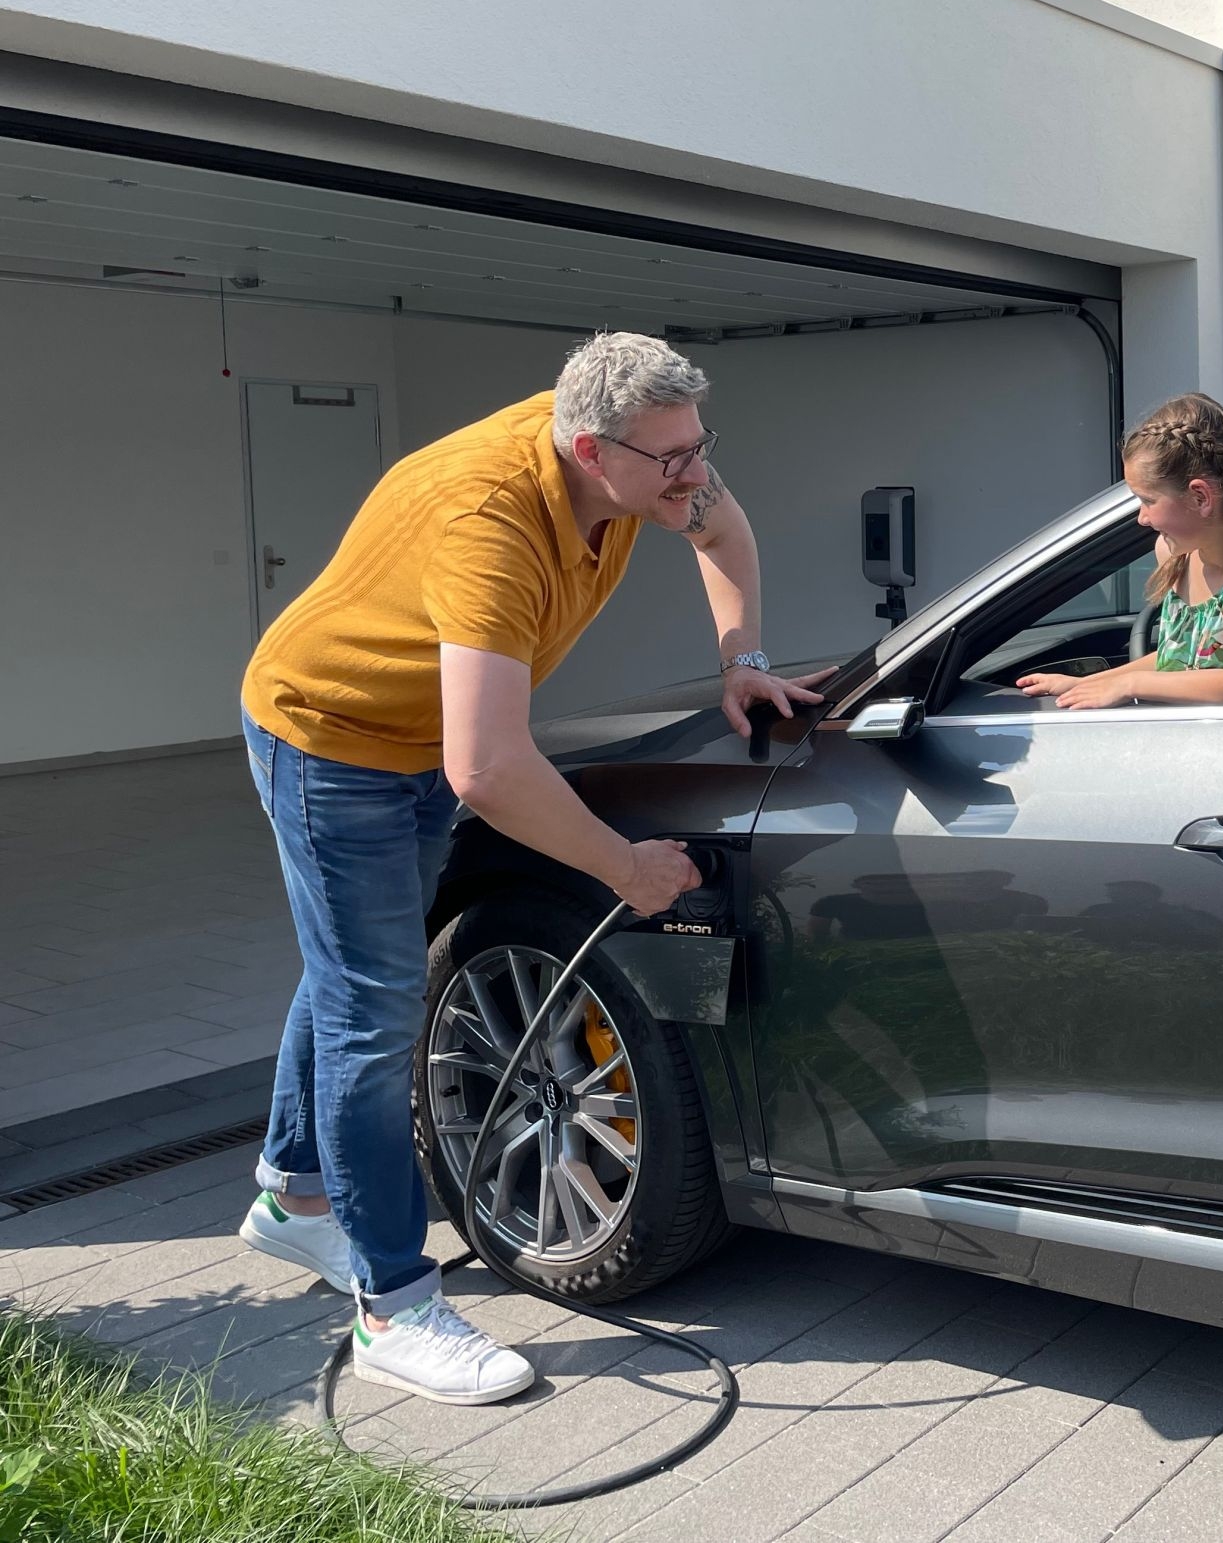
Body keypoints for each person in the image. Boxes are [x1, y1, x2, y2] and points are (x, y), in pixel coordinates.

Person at [234, 332, 828, 1404]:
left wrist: (742, 661)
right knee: (373, 1009)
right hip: (333, 738)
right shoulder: (490, 523)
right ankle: (394, 1307)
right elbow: (490, 767)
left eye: (699, 446)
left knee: (351, 967)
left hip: (415, 736)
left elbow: (723, 527)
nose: (694, 473)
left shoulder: (641, 455)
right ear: (594, 451)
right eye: (672, 458)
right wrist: (624, 869)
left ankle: (293, 1196)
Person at [1017, 393, 1223, 708]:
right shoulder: (1175, 556)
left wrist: (1128, 685)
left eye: (1147, 500)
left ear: (1200, 497)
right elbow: (1180, 659)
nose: (1142, 519)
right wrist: (1088, 683)